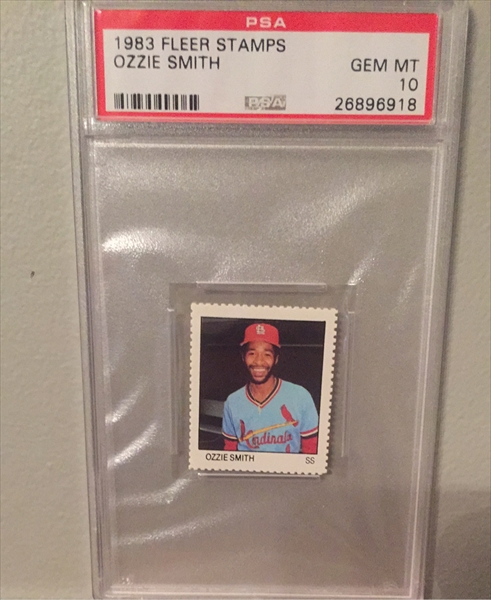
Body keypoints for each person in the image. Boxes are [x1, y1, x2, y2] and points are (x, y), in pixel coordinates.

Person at [222, 323, 319, 453]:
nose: (259, 361)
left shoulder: (301, 396)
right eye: (252, 353)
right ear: (243, 357)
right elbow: (229, 451)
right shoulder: (232, 402)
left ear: (276, 359)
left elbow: (311, 450)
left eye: (267, 354)